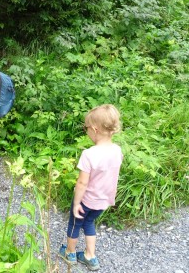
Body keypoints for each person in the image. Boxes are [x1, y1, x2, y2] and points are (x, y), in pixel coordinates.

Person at [59, 104, 123, 271]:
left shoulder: (89, 154)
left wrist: (77, 203)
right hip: (103, 201)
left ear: (94, 129)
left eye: (86, 128)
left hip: (86, 200)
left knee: (75, 224)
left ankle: (70, 253)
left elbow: (82, 183)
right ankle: (90, 256)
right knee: (89, 222)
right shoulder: (117, 150)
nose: (86, 131)